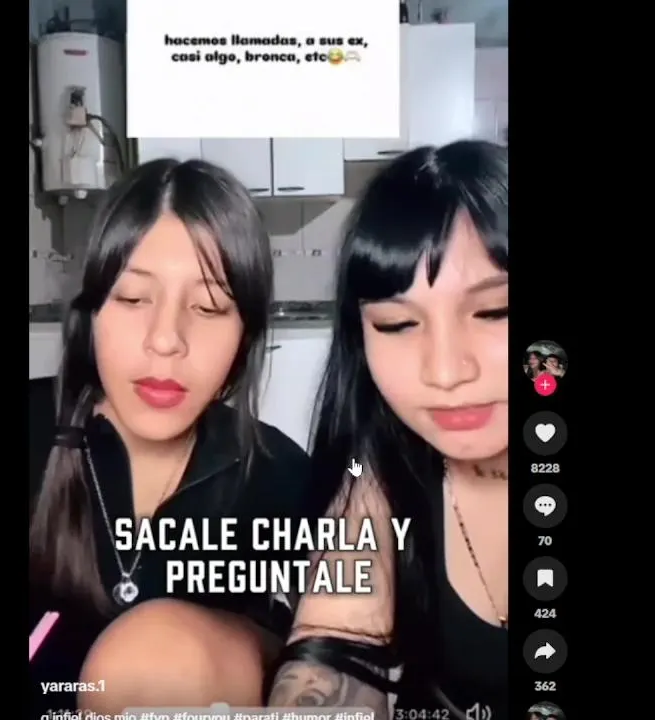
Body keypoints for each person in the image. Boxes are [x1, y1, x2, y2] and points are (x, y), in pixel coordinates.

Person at [28, 158, 316, 713]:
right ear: (92, 313)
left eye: (208, 307)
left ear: (246, 334)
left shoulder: (279, 474)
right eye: (133, 299)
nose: (166, 340)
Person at [267, 140, 510, 717]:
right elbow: (332, 651)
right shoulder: (382, 472)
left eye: (495, 312)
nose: (446, 372)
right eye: (398, 324)